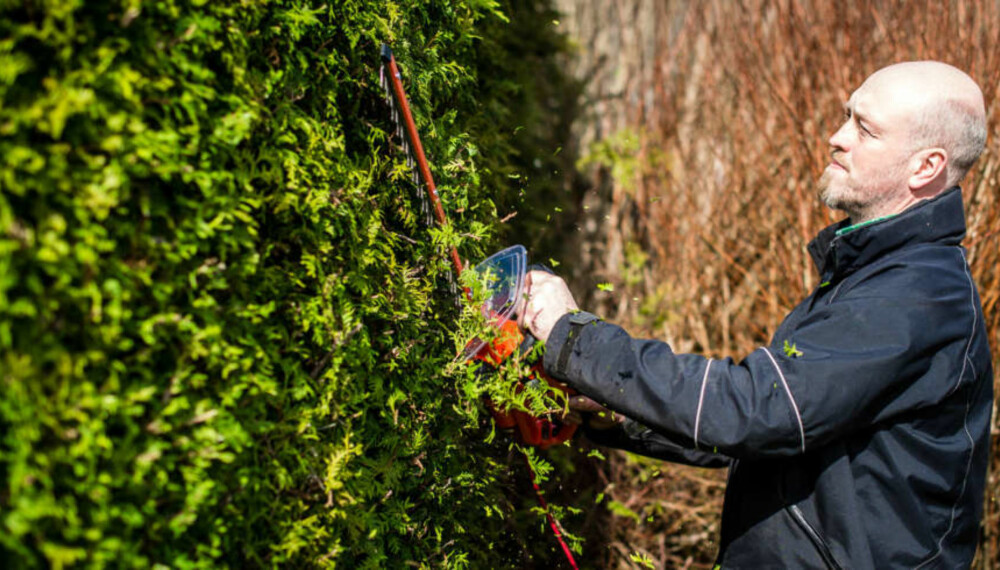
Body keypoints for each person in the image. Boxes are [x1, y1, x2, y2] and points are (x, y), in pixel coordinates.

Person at [518, 61, 993, 568]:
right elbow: (772, 431)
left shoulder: (914, 296)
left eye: (865, 129)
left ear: (926, 167)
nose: (836, 137)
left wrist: (572, 338)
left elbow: (754, 410)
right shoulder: (874, 273)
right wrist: (614, 409)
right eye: (846, 117)